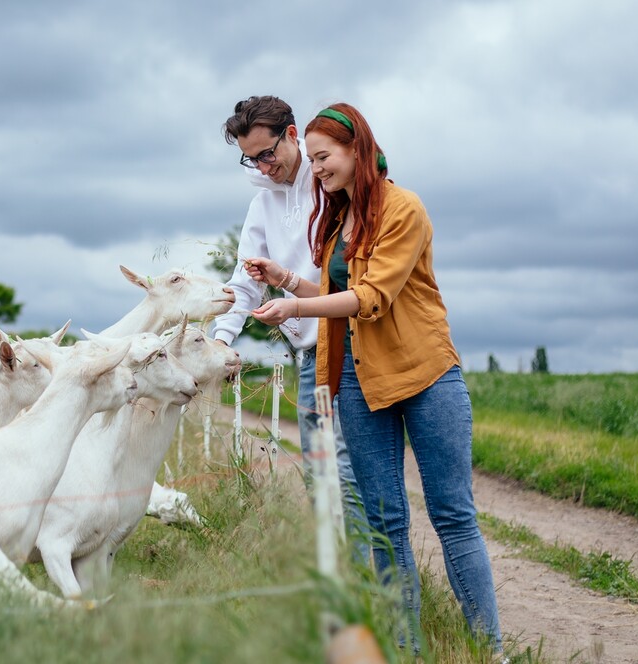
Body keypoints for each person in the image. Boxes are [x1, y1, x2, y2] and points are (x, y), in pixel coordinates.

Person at [245, 102, 504, 655]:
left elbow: (370, 297)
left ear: (357, 150)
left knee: (451, 514)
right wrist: (287, 281)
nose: (316, 170)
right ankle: (404, 650)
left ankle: (489, 649)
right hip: (360, 381)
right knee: (385, 523)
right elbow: (334, 291)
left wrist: (293, 311)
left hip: (426, 375)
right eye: (312, 161)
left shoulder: (403, 208)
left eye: (323, 157)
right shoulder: (337, 221)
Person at [211, 95, 369, 565]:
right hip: (306, 355)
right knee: (317, 473)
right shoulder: (262, 202)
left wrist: (292, 291)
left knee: (345, 470)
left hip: (350, 342)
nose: (263, 166)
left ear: (293, 135)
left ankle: (372, 583)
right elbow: (244, 281)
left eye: (268, 153)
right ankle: (337, 577)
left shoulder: (329, 183)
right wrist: (220, 341)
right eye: (250, 158)